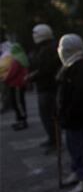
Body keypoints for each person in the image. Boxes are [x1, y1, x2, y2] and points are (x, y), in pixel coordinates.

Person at [56, 34, 83, 192]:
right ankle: (77, 171)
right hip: (70, 117)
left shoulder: (80, 66)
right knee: (72, 147)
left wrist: (66, 112)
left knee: (80, 147)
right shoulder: (69, 65)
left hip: (78, 117)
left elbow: (80, 95)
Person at [28, 24, 61, 153]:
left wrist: (32, 76)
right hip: (46, 87)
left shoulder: (48, 49)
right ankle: (53, 139)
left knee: (49, 115)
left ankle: (54, 141)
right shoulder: (46, 48)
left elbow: (46, 69)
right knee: (48, 115)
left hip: (48, 88)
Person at [0, 38, 29, 130]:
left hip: (16, 84)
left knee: (18, 103)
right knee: (19, 102)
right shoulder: (21, 57)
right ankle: (20, 120)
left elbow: (12, 72)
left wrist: (5, 78)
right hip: (18, 84)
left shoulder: (17, 60)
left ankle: (22, 121)